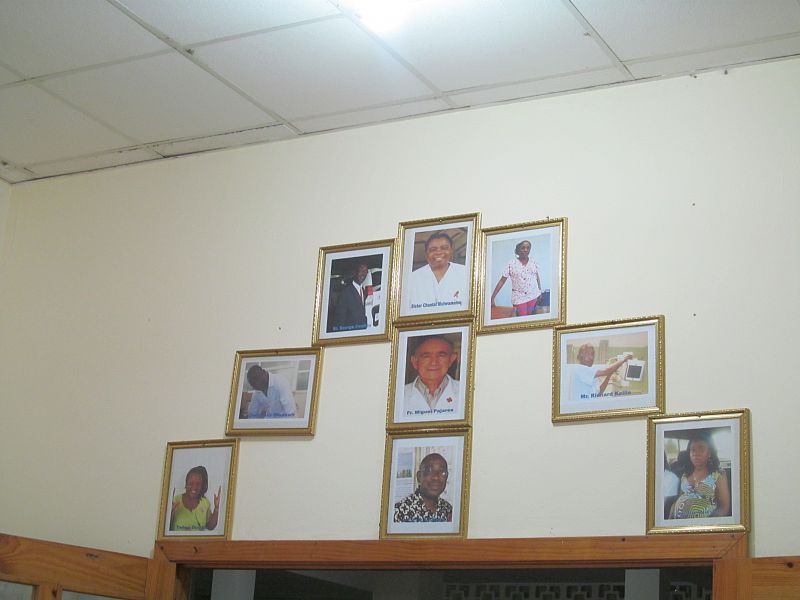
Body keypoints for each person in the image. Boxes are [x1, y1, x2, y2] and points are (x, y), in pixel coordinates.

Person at [669, 433, 731, 519]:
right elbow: (680, 498)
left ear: (709, 453)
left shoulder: (718, 474)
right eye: (693, 450)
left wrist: (709, 524)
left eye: (701, 449)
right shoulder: (685, 474)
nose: (695, 454)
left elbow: (724, 508)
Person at [407, 232, 467, 311]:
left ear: (451, 251)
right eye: (433, 249)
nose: (439, 252)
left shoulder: (466, 273)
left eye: (444, 248)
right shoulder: (412, 279)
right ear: (426, 253)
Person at [403, 336, 460, 417]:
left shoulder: (466, 391)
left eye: (441, 355)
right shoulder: (399, 395)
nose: (434, 362)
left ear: (451, 359)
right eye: (426, 356)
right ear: (414, 362)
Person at [393, 453, 453, 522]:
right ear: (419, 477)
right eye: (429, 471)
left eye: (442, 472)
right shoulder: (399, 512)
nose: (436, 477)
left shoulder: (448, 509)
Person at [489, 239, 542, 317]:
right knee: (522, 318)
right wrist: (492, 297)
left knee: (531, 317)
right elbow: (502, 281)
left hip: (533, 295)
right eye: (523, 248)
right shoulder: (511, 263)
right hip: (519, 297)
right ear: (518, 250)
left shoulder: (533, 262)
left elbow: (537, 277)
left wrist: (539, 291)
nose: (526, 250)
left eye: (528, 248)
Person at [569, 344, 633, 401]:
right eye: (588, 354)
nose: (591, 357)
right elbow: (607, 370)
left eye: (592, 354)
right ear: (581, 354)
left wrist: (609, 375)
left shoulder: (590, 376)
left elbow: (599, 393)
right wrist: (624, 359)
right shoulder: (578, 368)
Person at [169, 466, 221, 532]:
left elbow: (210, 526)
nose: (194, 487)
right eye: (191, 483)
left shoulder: (205, 503)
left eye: (198, 484)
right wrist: (169, 514)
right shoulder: (175, 501)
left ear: (202, 486)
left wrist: (216, 508)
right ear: (186, 484)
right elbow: (167, 529)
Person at [330, 262, 369, 332]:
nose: (363, 274)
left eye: (365, 271)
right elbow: (339, 319)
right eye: (361, 270)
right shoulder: (345, 292)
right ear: (356, 272)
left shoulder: (363, 290)